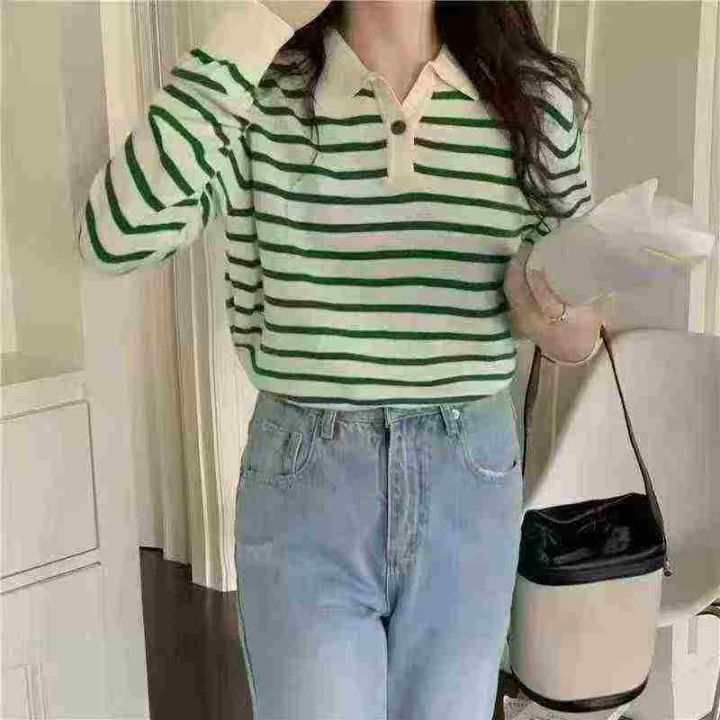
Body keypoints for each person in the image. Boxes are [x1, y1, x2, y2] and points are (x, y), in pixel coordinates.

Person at [77, 1, 604, 717]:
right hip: (306, 477)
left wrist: (550, 315)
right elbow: (113, 237)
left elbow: (578, 337)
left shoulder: (533, 101)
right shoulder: (259, 90)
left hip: (470, 479)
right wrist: (262, 19)